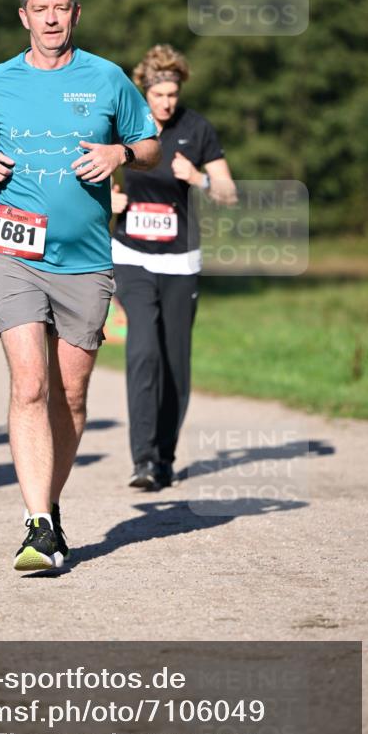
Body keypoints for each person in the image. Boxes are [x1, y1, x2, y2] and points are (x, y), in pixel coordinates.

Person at [0, 0, 160, 572]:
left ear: (76, 13)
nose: (50, 19)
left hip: (86, 260)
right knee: (30, 384)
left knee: (70, 394)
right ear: (24, 15)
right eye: (39, 8)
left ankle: (51, 500)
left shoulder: (107, 78)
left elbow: (150, 144)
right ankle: (37, 524)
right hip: (11, 251)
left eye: (60, 8)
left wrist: (121, 153)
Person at [111, 44, 236, 490]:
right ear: (144, 91)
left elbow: (228, 193)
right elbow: (94, 173)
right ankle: (143, 459)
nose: (166, 103)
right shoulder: (125, 126)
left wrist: (197, 178)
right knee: (143, 350)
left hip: (181, 261)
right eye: (158, 95)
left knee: (175, 361)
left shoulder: (196, 128)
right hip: (132, 257)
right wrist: (109, 199)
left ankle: (165, 456)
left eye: (172, 95)